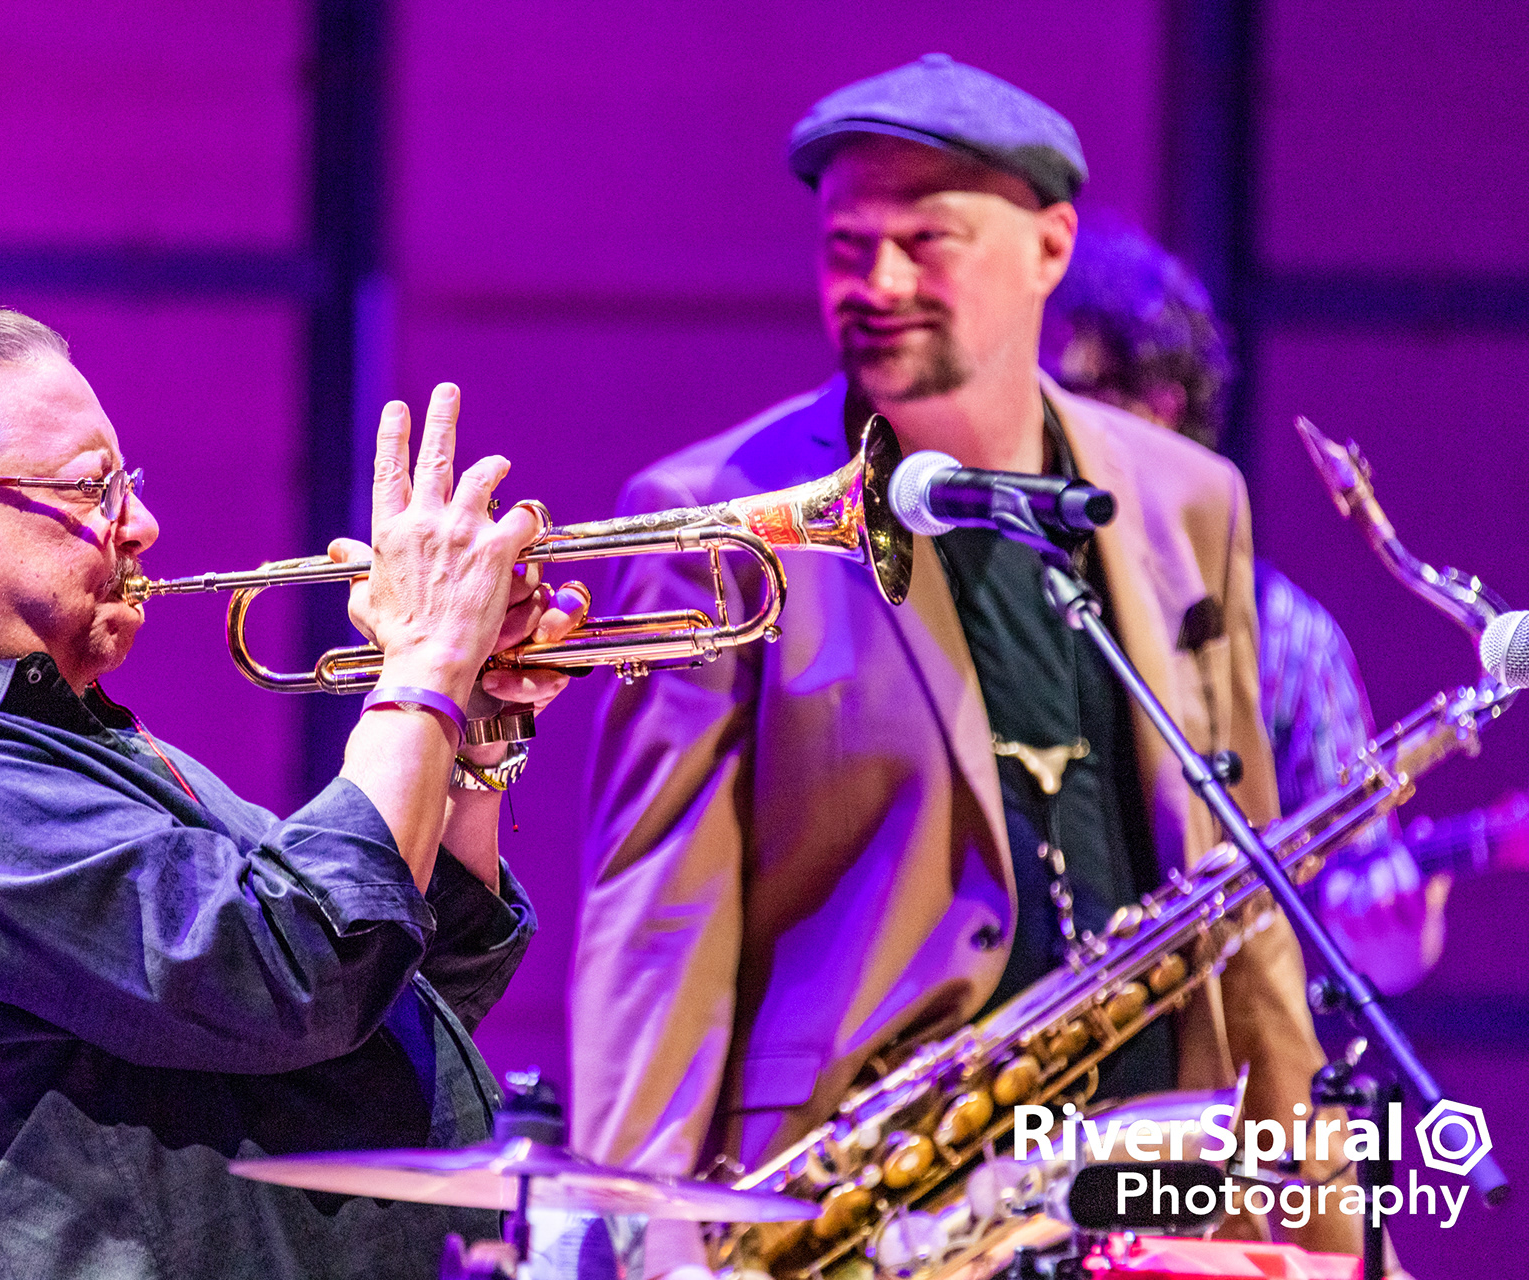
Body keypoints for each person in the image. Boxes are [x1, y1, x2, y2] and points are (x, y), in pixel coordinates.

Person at [568, 54, 1358, 1268]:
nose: (876, 283)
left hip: (1161, 1190)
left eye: (925, 241)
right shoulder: (714, 517)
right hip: (867, 1212)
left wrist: (1325, 1222)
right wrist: (638, 1239)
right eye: (847, 245)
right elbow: (656, 920)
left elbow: (1245, 902)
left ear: (1050, 247)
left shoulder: (1191, 499)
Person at [0, 307, 586, 1280]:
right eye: (90, 487)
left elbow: (392, 984)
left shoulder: (65, 742)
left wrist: (471, 724)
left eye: (130, 485)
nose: (142, 525)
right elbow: (302, 969)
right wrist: (423, 663)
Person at [1048, 220, 1450, 994]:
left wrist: (1400, 933)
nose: (1045, 426)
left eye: (1075, 396)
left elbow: (1380, 953)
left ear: (1158, 410)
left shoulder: (1282, 633)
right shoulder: (995, 587)